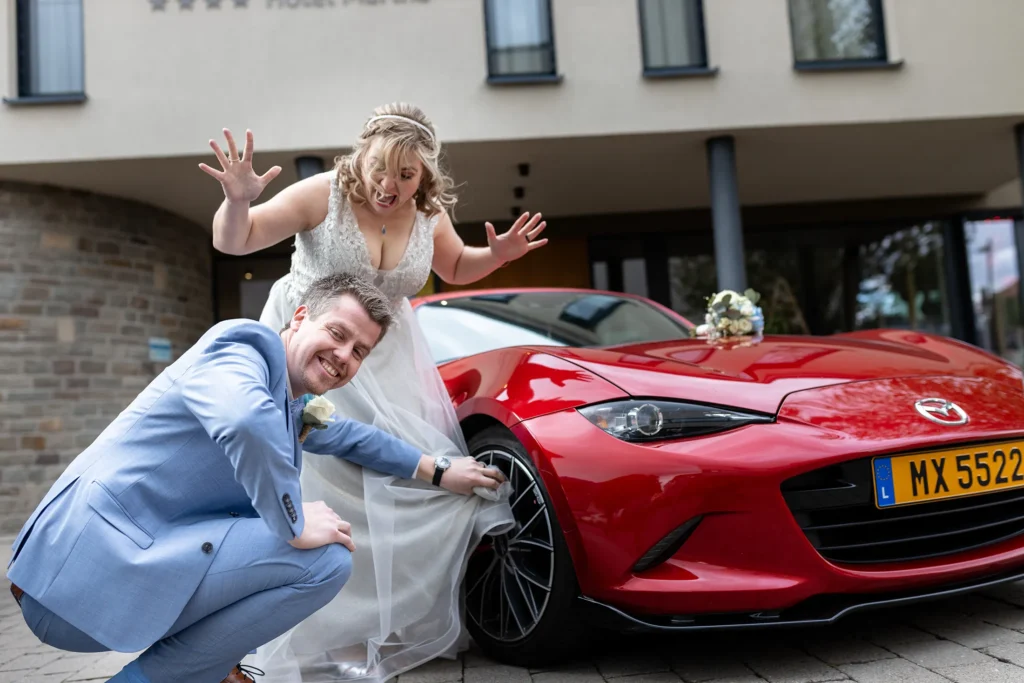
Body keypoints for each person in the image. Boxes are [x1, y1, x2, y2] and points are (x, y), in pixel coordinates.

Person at [4, 274, 504, 683]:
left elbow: (351, 436)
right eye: (337, 333)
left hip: (115, 576)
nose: (345, 356)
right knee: (324, 558)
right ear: (300, 317)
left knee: (308, 559)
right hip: (78, 579)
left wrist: (438, 470)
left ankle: (208, 671)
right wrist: (291, 523)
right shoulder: (241, 348)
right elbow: (244, 421)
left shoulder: (293, 403)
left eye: (359, 351)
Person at [199, 102, 546, 681]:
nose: (390, 185)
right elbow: (238, 242)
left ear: (425, 176)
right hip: (318, 351)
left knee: (407, 489)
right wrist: (237, 201)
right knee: (325, 490)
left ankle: (376, 631)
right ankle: (297, 632)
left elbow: (457, 266)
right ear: (363, 156)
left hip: (390, 366)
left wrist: (499, 256)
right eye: (382, 168)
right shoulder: (324, 194)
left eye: (406, 175)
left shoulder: (428, 213)